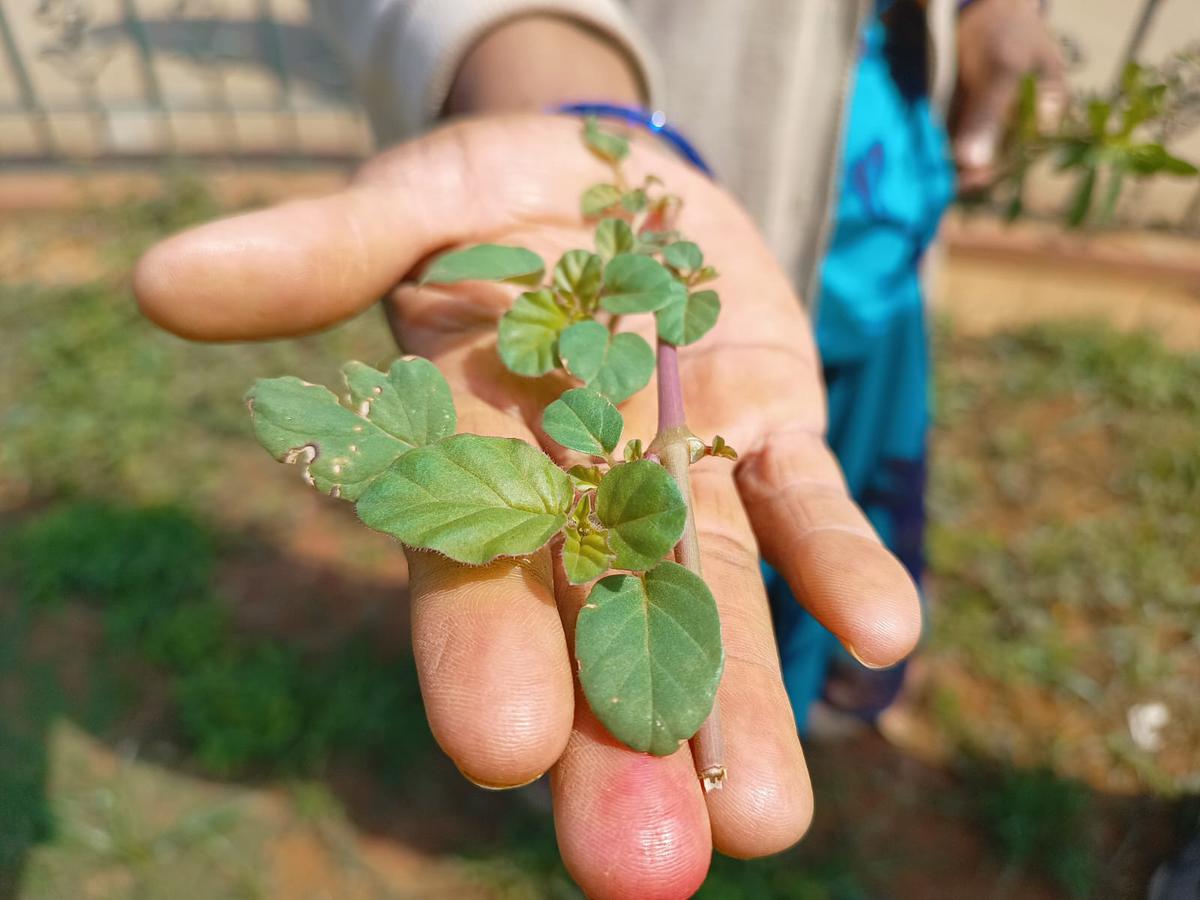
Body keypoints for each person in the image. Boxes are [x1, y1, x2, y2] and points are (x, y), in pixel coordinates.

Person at [131, 1, 1063, 897]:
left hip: (871, 207)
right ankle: (731, 719)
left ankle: (821, 695)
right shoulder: (622, 346)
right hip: (697, 201)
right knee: (671, 610)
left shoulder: (675, 317)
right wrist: (555, 79)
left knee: (821, 518)